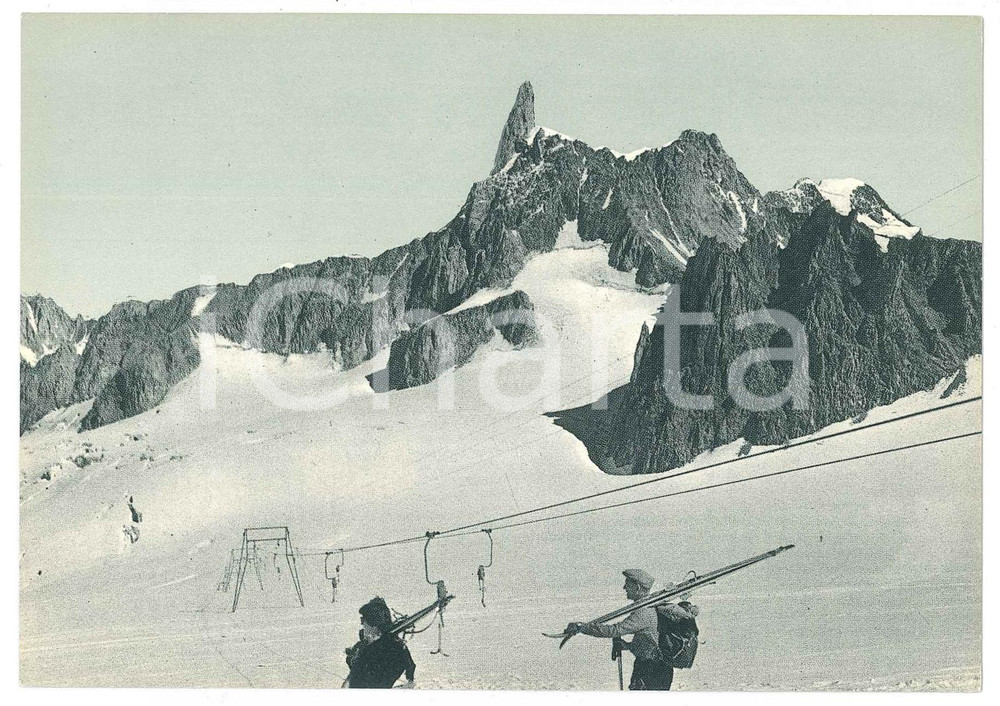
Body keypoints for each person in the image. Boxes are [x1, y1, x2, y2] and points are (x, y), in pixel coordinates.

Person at [566, 569, 673, 691]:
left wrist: (583, 627)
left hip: (651, 670)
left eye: (627, 583)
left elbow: (615, 630)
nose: (624, 587)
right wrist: (627, 646)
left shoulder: (643, 612)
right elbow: (650, 640)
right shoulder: (648, 607)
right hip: (655, 667)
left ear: (637, 587)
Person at [344, 596, 416, 689]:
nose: (362, 624)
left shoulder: (391, 649)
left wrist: (358, 662)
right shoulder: (368, 644)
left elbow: (374, 682)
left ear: (374, 624)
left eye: (363, 620)